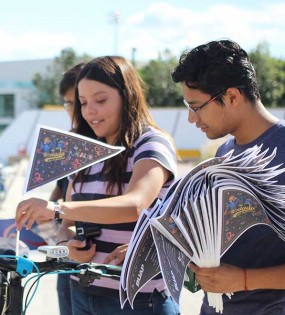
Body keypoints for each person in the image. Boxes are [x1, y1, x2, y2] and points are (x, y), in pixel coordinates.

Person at [15, 56, 179, 314]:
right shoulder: (80, 151)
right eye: (82, 103)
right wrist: (69, 246)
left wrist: (57, 209)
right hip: (82, 290)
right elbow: (66, 228)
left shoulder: (151, 143)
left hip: (138, 299)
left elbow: (135, 205)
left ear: (127, 96)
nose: (90, 111)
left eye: (100, 100)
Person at [172, 39, 285, 315]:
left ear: (232, 97)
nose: (191, 118)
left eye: (196, 106)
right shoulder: (224, 151)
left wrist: (244, 279)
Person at [49, 63, 84, 315]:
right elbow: (59, 190)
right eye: (68, 103)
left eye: (78, 102)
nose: (75, 111)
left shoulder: (119, 145)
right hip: (66, 257)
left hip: (101, 265)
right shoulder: (67, 142)